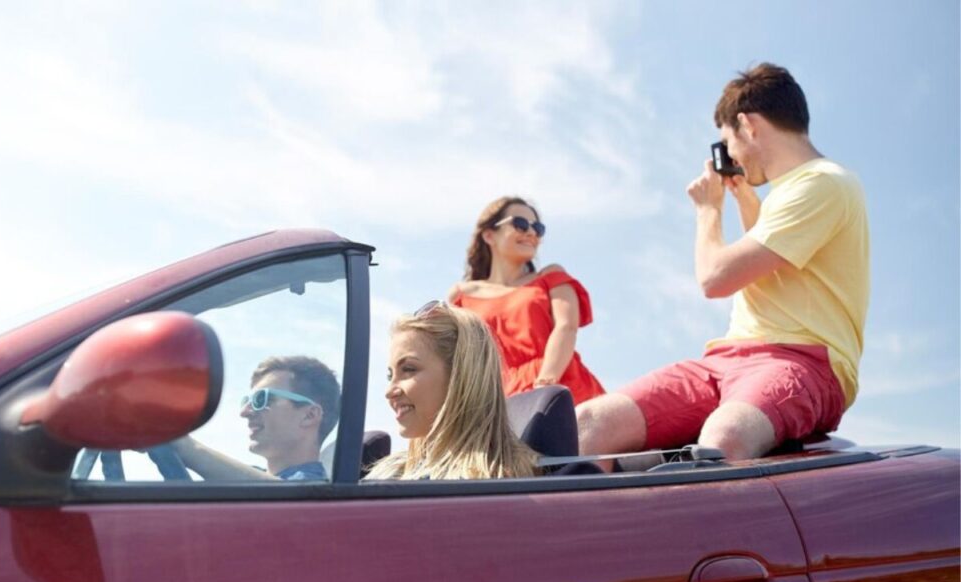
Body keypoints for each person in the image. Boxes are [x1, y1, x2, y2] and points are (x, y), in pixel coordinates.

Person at [577, 62, 869, 463]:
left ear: (748, 126)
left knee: (724, 438)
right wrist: (745, 199)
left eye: (728, 141)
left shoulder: (823, 182)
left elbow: (715, 278)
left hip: (804, 360)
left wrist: (707, 211)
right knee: (589, 424)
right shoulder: (792, 192)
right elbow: (770, 265)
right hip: (725, 360)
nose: (730, 155)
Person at [449, 196, 606, 405]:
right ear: (489, 235)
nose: (531, 233)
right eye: (520, 224)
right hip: (496, 399)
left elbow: (566, 327)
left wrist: (545, 384)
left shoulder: (550, 277)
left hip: (560, 387)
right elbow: (454, 360)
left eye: (538, 228)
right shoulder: (461, 297)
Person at [367, 302, 540, 480]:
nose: (389, 392)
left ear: (460, 376)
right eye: (390, 376)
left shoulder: (487, 483)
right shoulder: (394, 469)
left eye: (409, 369)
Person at [174, 355, 341, 480]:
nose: (245, 412)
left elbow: (286, 499)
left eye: (262, 399)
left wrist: (185, 447)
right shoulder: (253, 476)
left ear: (309, 416)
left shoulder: (315, 489)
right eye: (247, 401)